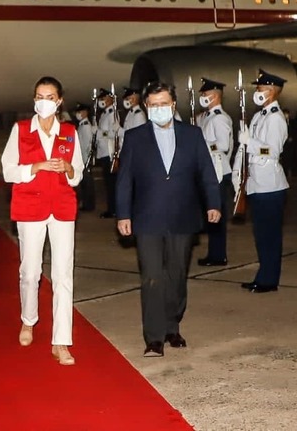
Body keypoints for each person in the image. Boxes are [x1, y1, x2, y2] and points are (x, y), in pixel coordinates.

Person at [116, 81, 220, 357]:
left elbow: (206, 172)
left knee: (176, 275)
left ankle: (172, 326)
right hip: (147, 218)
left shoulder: (192, 134)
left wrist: (214, 203)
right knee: (152, 277)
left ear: (173, 105)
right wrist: (123, 213)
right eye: (153, 105)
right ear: (146, 107)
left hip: (183, 216)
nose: (159, 109)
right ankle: (154, 337)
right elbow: (124, 180)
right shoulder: (135, 137)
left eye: (164, 104)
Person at [2, 76, 83, 366]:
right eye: (39, 96)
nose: (44, 102)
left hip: (62, 207)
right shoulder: (21, 130)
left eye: (50, 97)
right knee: (30, 271)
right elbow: (8, 170)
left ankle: (60, 341)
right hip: (30, 207)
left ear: (59, 101)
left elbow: (79, 175)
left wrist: (69, 168)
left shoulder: (70, 132)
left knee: (63, 275)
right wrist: (34, 167)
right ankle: (29, 319)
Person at [234, 69, 289, 293]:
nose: (257, 92)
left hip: (270, 185)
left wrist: (251, 142)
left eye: (261, 89)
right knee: (261, 235)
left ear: (272, 91)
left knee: (270, 235)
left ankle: (269, 280)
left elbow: (272, 151)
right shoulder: (258, 115)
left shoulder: (276, 118)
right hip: (257, 183)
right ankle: (264, 275)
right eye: (257, 89)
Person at [196, 78, 234, 267]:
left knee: (216, 215)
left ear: (215, 96)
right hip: (210, 170)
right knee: (211, 215)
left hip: (218, 170)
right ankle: (214, 253)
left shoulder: (219, 117)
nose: (202, 98)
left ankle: (218, 255)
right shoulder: (208, 116)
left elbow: (224, 145)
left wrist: (204, 145)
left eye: (205, 95)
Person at [95, 87, 118, 218]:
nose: (101, 101)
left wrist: (100, 133)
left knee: (112, 184)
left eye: (104, 98)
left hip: (109, 152)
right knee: (108, 184)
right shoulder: (104, 114)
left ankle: (113, 209)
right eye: (101, 99)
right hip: (103, 152)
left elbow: (113, 133)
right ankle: (111, 208)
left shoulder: (112, 114)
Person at [74, 102, 95, 211]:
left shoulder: (86, 126)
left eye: (79, 112)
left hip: (85, 159)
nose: (77, 114)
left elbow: (88, 145)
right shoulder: (82, 125)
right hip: (82, 158)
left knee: (87, 184)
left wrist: (87, 160)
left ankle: (89, 205)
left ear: (85, 113)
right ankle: (86, 204)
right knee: (84, 184)